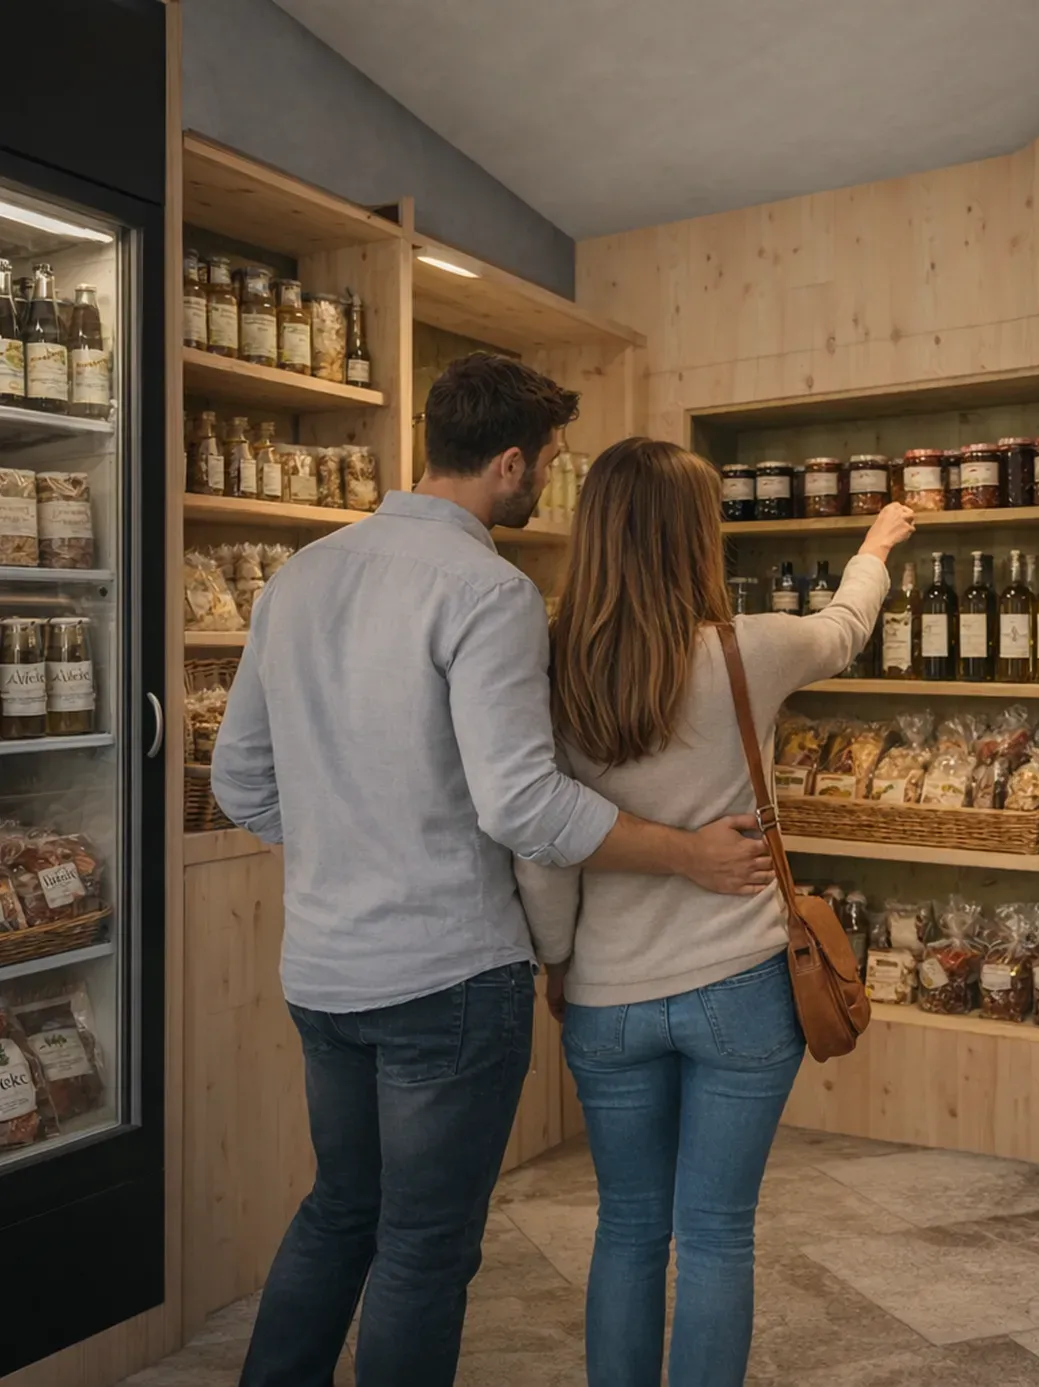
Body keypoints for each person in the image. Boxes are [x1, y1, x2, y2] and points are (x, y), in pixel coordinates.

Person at [210, 356, 772, 1387]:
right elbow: (524, 806)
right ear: (509, 462)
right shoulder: (487, 589)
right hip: (445, 978)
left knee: (341, 1210)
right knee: (423, 1248)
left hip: (324, 970)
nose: (547, 485)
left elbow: (240, 779)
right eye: (548, 465)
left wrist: (353, 842)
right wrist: (687, 852)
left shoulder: (300, 575)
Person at [519, 437, 914, 1387]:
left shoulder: (551, 665)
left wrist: (561, 962)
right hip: (742, 988)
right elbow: (846, 625)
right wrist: (876, 543)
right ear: (697, 537)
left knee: (625, 1230)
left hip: (607, 994)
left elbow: (543, 846)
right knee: (716, 1236)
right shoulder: (749, 648)